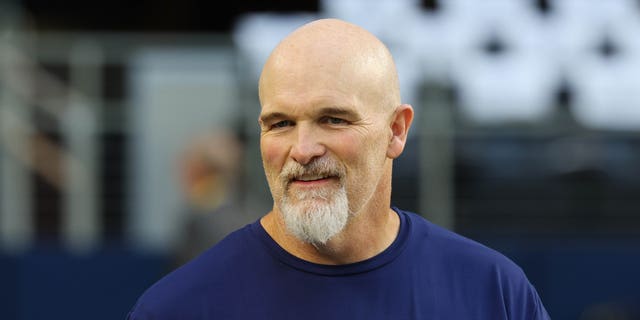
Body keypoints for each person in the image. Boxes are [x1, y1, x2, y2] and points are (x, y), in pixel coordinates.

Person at [127, 18, 550, 319]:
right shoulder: (179, 307)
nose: (303, 149)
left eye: (333, 119)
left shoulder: (494, 293)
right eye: (281, 124)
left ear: (396, 131)